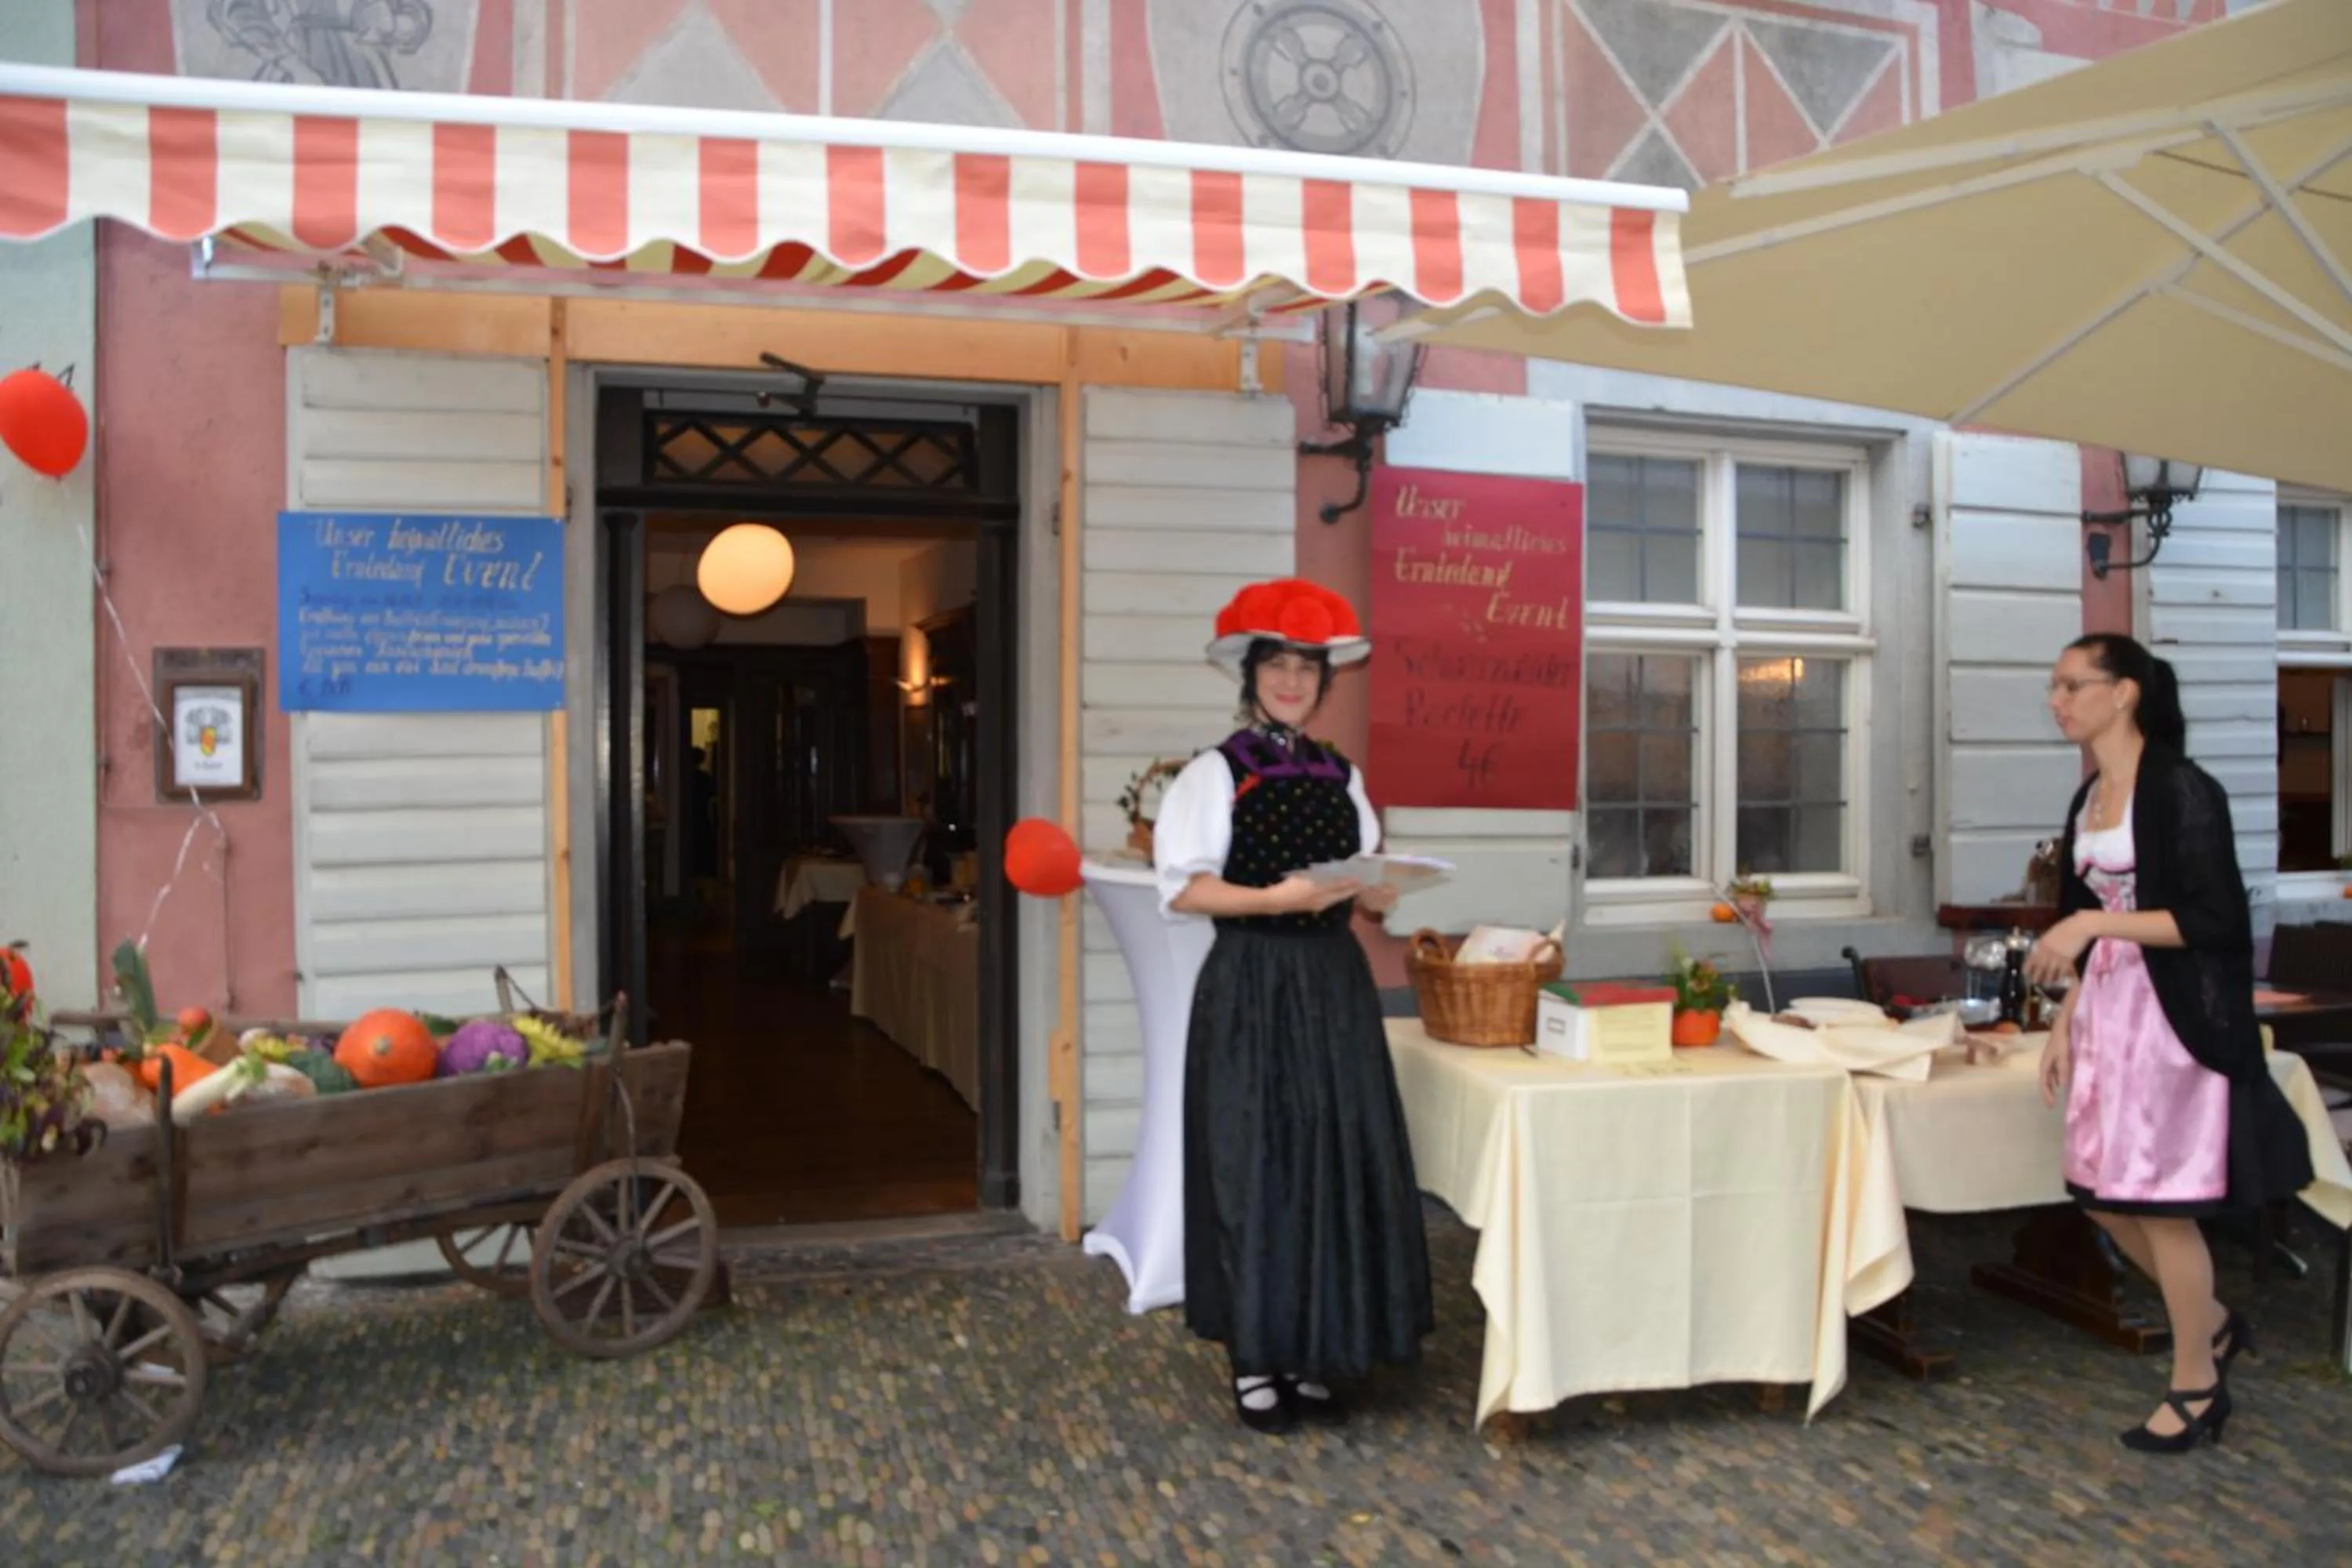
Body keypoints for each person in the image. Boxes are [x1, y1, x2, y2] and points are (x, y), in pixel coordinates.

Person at [1150, 578, 1435, 1434]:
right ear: (1250, 674)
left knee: (1332, 1158)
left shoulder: (1340, 774)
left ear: (1321, 682)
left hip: (1333, 984)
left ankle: (1316, 1344)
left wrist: (1386, 893)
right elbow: (1187, 889)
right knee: (1259, 1159)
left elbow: (1367, 887)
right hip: (1255, 984)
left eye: (1305, 669)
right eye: (1276, 665)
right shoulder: (1215, 772)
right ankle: (1256, 1355)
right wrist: (1277, 899)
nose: (1291, 682)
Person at [2025, 633, 2314, 1454]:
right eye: (2054, 685)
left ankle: (2196, 1383)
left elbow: (2212, 920)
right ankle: (2216, 1322)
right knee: (2105, 1195)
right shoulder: (2088, 801)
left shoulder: (2184, 788)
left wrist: (2088, 921)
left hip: (2173, 1021)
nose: (2058, 699)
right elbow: (2088, 937)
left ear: (2124, 693)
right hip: (2110, 1013)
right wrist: (2064, 1020)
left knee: (2161, 1203)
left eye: (2073, 684)